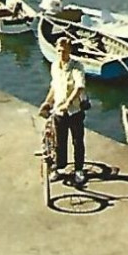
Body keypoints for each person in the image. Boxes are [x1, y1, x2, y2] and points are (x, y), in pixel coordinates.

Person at [38, 38, 90, 185]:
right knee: (59, 142)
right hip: (59, 111)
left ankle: (79, 169)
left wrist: (68, 103)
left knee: (77, 141)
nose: (61, 53)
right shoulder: (54, 66)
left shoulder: (77, 67)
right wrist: (47, 102)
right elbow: (54, 87)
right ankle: (60, 168)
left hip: (75, 111)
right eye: (59, 50)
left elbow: (79, 87)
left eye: (65, 50)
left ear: (70, 51)